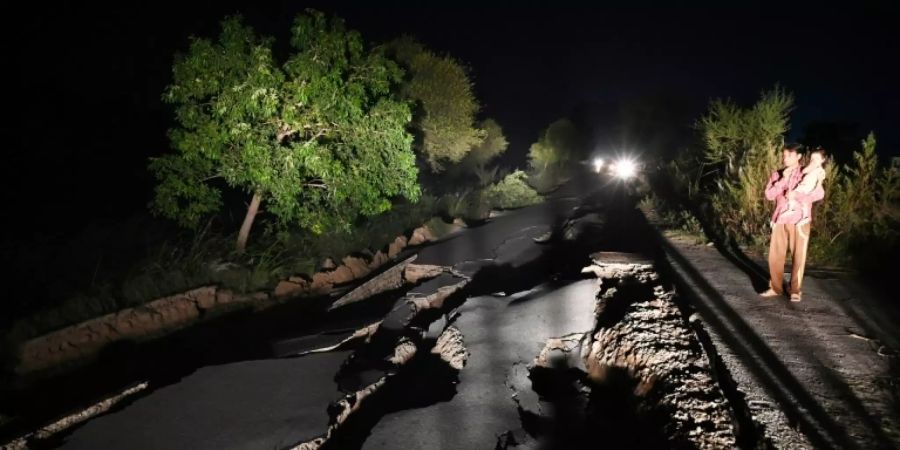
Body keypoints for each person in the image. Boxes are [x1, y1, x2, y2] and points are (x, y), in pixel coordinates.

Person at [760, 144, 825, 302]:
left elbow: (818, 194)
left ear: (799, 156)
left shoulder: (808, 172)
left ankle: (795, 289)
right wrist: (783, 180)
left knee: (799, 256)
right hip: (780, 220)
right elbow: (769, 195)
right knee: (775, 256)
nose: (785, 158)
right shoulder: (777, 174)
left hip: (799, 221)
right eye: (784, 156)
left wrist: (797, 195)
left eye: (789, 155)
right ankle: (775, 288)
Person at [777, 148, 827, 226]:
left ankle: (805, 216)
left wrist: (818, 185)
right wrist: (811, 165)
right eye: (812, 159)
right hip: (802, 185)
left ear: (822, 160)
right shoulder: (810, 168)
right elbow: (804, 171)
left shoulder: (820, 171)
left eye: (816, 159)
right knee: (791, 195)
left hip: (808, 187)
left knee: (804, 202)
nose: (813, 160)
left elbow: (819, 190)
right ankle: (791, 209)